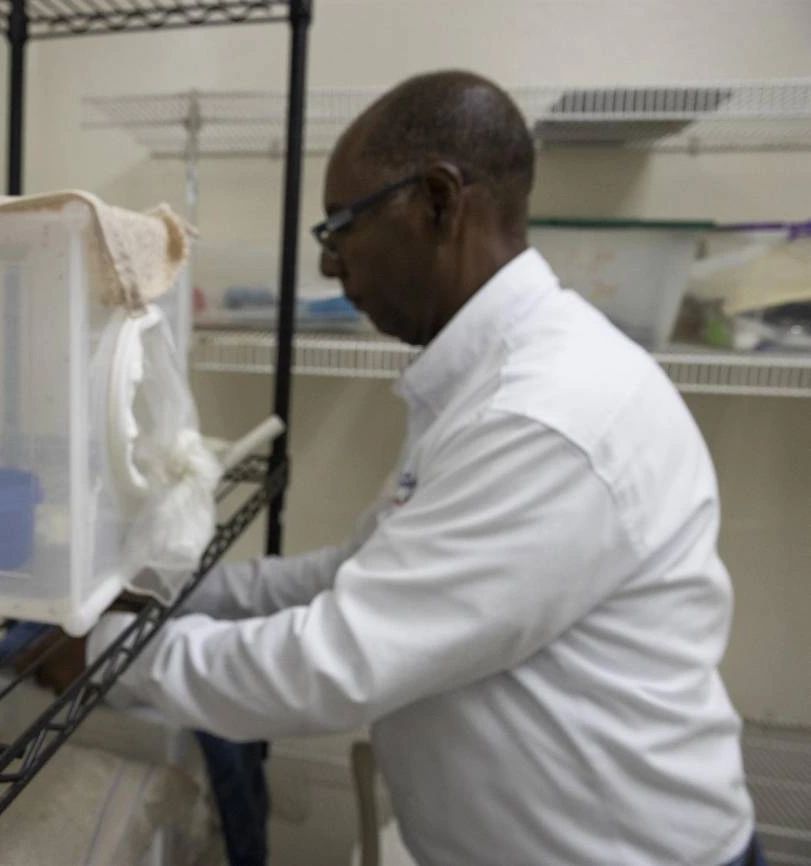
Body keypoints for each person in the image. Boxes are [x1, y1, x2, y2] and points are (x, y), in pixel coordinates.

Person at [61, 70, 763, 865]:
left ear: (437, 202)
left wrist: (101, 655)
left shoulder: (543, 415)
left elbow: (335, 664)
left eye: (339, 229)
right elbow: (361, 573)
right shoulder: (484, 380)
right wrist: (180, 588)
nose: (330, 268)